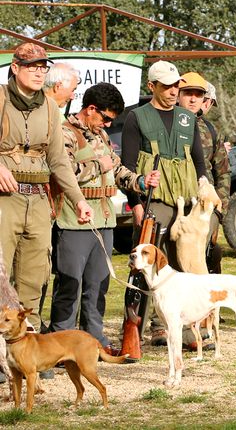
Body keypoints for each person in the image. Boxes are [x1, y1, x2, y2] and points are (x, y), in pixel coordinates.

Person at [49, 82, 160, 354]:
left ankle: (93, 339)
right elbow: (63, 171)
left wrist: (140, 181)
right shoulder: (65, 132)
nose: (109, 124)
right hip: (74, 220)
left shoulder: (100, 134)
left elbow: (117, 169)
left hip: (104, 220)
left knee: (98, 285)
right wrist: (100, 165)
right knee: (70, 285)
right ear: (90, 109)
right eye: (106, 118)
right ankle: (61, 342)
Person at [0, 43, 93, 330]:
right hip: (5, 200)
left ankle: (27, 341)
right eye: (32, 67)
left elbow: (59, 160)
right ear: (15, 68)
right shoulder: (0, 99)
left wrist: (78, 199)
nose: (39, 73)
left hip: (39, 200)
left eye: (43, 67)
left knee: (35, 276)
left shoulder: (51, 108)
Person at [121, 60, 207, 345]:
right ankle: (137, 330)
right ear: (152, 86)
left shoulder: (188, 118)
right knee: (143, 268)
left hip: (185, 205)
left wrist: (204, 190)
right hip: (153, 203)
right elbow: (128, 166)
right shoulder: (136, 117)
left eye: (175, 86)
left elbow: (198, 161)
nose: (173, 91)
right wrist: (135, 204)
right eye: (166, 86)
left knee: (184, 267)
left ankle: (187, 330)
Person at [177, 73, 230, 274]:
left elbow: (223, 171)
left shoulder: (210, 130)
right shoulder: (167, 125)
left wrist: (219, 208)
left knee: (206, 259)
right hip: (176, 204)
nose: (193, 100)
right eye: (188, 94)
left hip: (205, 209)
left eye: (198, 95)